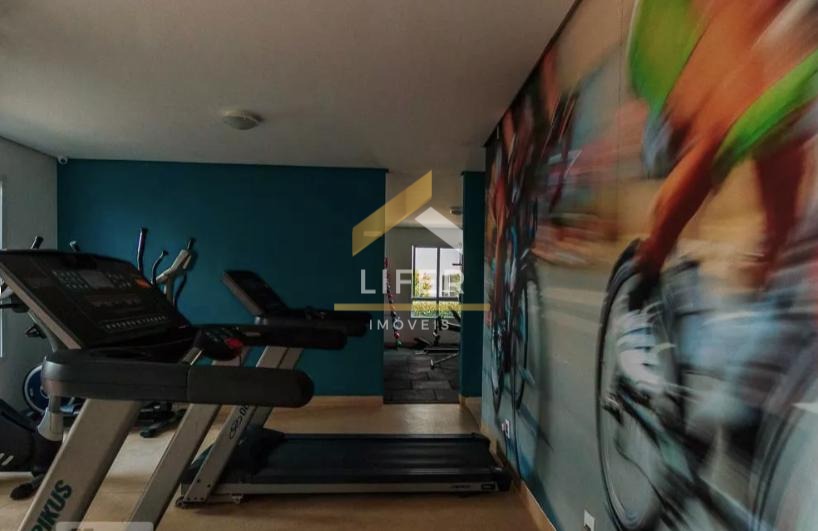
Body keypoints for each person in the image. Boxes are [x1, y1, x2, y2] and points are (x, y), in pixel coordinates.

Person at [619, 0, 818, 468]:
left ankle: (742, 398)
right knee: (716, 131)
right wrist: (654, 255)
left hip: (768, 65)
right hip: (679, 36)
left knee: (786, 238)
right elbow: (714, 140)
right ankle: (641, 305)